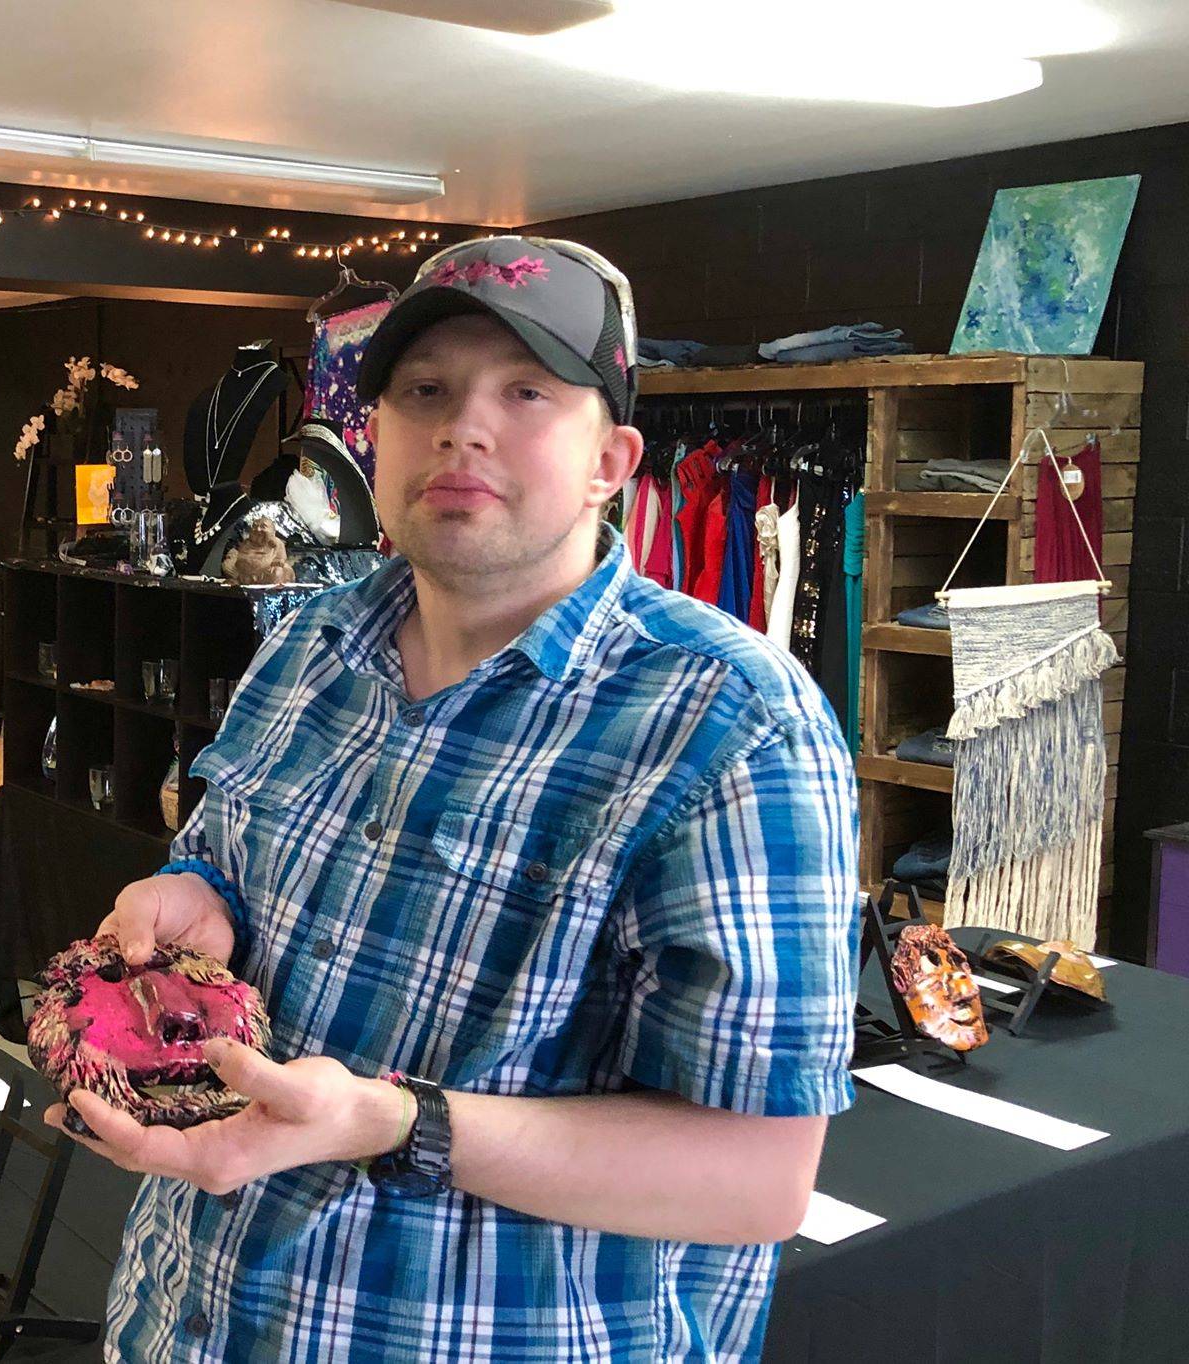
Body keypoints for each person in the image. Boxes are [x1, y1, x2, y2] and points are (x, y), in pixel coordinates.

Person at [48, 235, 860, 1362]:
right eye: (422, 389)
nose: (459, 426)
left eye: (523, 391)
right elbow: (223, 863)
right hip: (185, 1314)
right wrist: (190, 891)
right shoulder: (305, 643)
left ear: (611, 460)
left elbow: (757, 1180)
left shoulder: (730, 724)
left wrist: (393, 1121)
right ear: (372, 433)